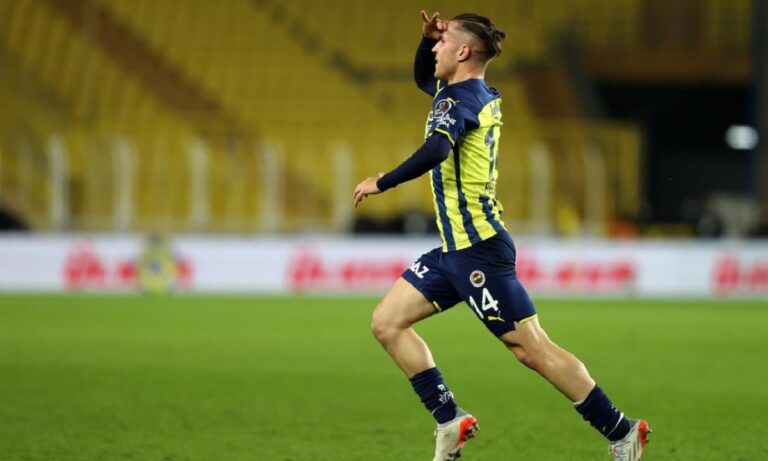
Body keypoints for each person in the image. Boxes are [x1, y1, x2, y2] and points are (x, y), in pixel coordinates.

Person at [353, 10, 651, 461]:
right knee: (387, 322)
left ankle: (622, 430)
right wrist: (425, 39)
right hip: (454, 250)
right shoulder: (470, 94)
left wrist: (384, 181)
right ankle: (449, 420)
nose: (435, 49)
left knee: (533, 350)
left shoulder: (458, 99)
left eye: (442, 43)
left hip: (478, 252)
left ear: (463, 52)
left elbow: (437, 148)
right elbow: (424, 78)